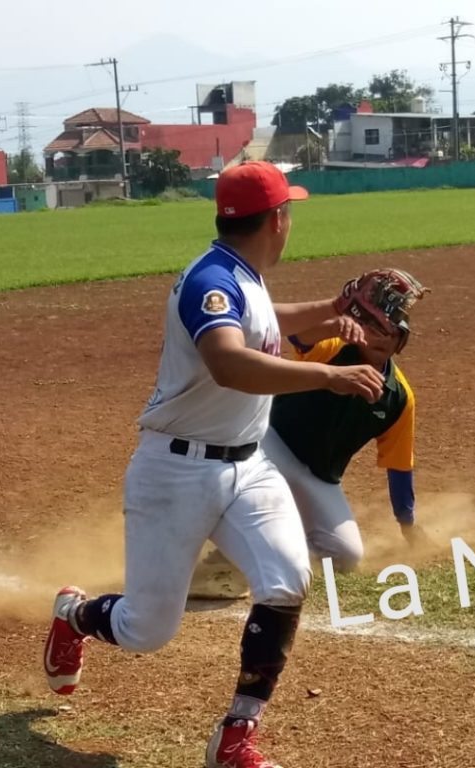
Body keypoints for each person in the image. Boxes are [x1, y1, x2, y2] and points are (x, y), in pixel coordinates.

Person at [43, 160, 385, 768]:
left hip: (249, 468)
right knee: (148, 630)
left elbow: (264, 321)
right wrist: (327, 375)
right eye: (291, 211)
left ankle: (236, 735)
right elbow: (229, 360)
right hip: (175, 473)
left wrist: (332, 309)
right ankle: (73, 614)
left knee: (286, 580)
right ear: (278, 219)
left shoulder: (240, 275)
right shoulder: (210, 282)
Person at [262, 269, 429, 573]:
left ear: (401, 339)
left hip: (318, 478)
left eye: (392, 332)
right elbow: (299, 336)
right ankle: (231, 538)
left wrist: (408, 524)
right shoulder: (334, 348)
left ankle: (270, 551)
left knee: (346, 554)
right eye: (376, 328)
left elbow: (399, 466)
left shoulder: (399, 398)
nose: (383, 337)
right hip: (271, 446)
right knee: (253, 499)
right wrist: (334, 326)